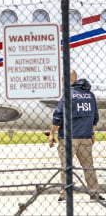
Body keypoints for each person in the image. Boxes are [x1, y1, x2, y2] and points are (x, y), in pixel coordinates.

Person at [48, 70, 104, 202]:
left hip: (69, 137)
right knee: (88, 166)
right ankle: (94, 193)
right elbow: (95, 117)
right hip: (85, 136)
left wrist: (52, 133)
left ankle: (65, 194)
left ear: (66, 81)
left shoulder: (67, 95)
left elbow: (58, 117)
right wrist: (91, 133)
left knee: (66, 166)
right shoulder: (89, 95)